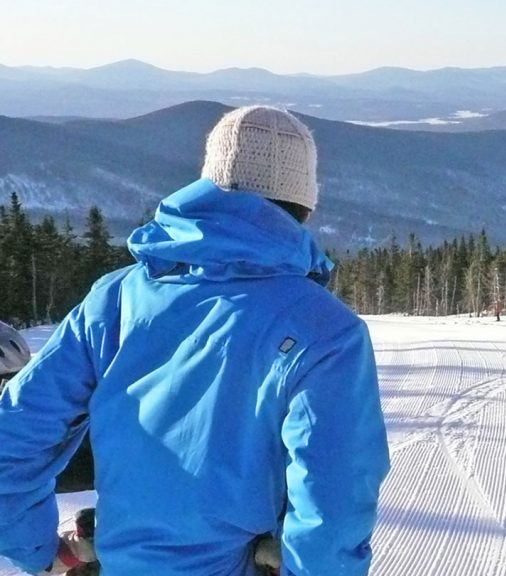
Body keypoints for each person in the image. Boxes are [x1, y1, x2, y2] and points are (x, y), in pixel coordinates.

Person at [0, 106, 391, 576]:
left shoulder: (116, 300)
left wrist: (39, 550)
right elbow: (334, 502)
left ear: (209, 185)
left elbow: (14, 438)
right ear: (303, 203)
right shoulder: (327, 331)